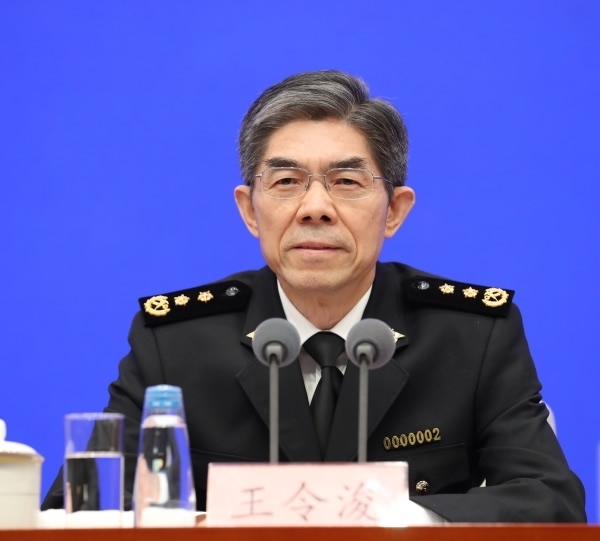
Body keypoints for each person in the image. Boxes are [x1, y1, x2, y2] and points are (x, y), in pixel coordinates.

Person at [42, 70, 586, 522]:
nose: (315, 208)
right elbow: (76, 509)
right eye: (286, 182)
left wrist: (406, 518)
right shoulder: (175, 344)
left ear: (394, 211)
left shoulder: (471, 335)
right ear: (249, 210)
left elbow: (550, 500)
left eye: (346, 182)